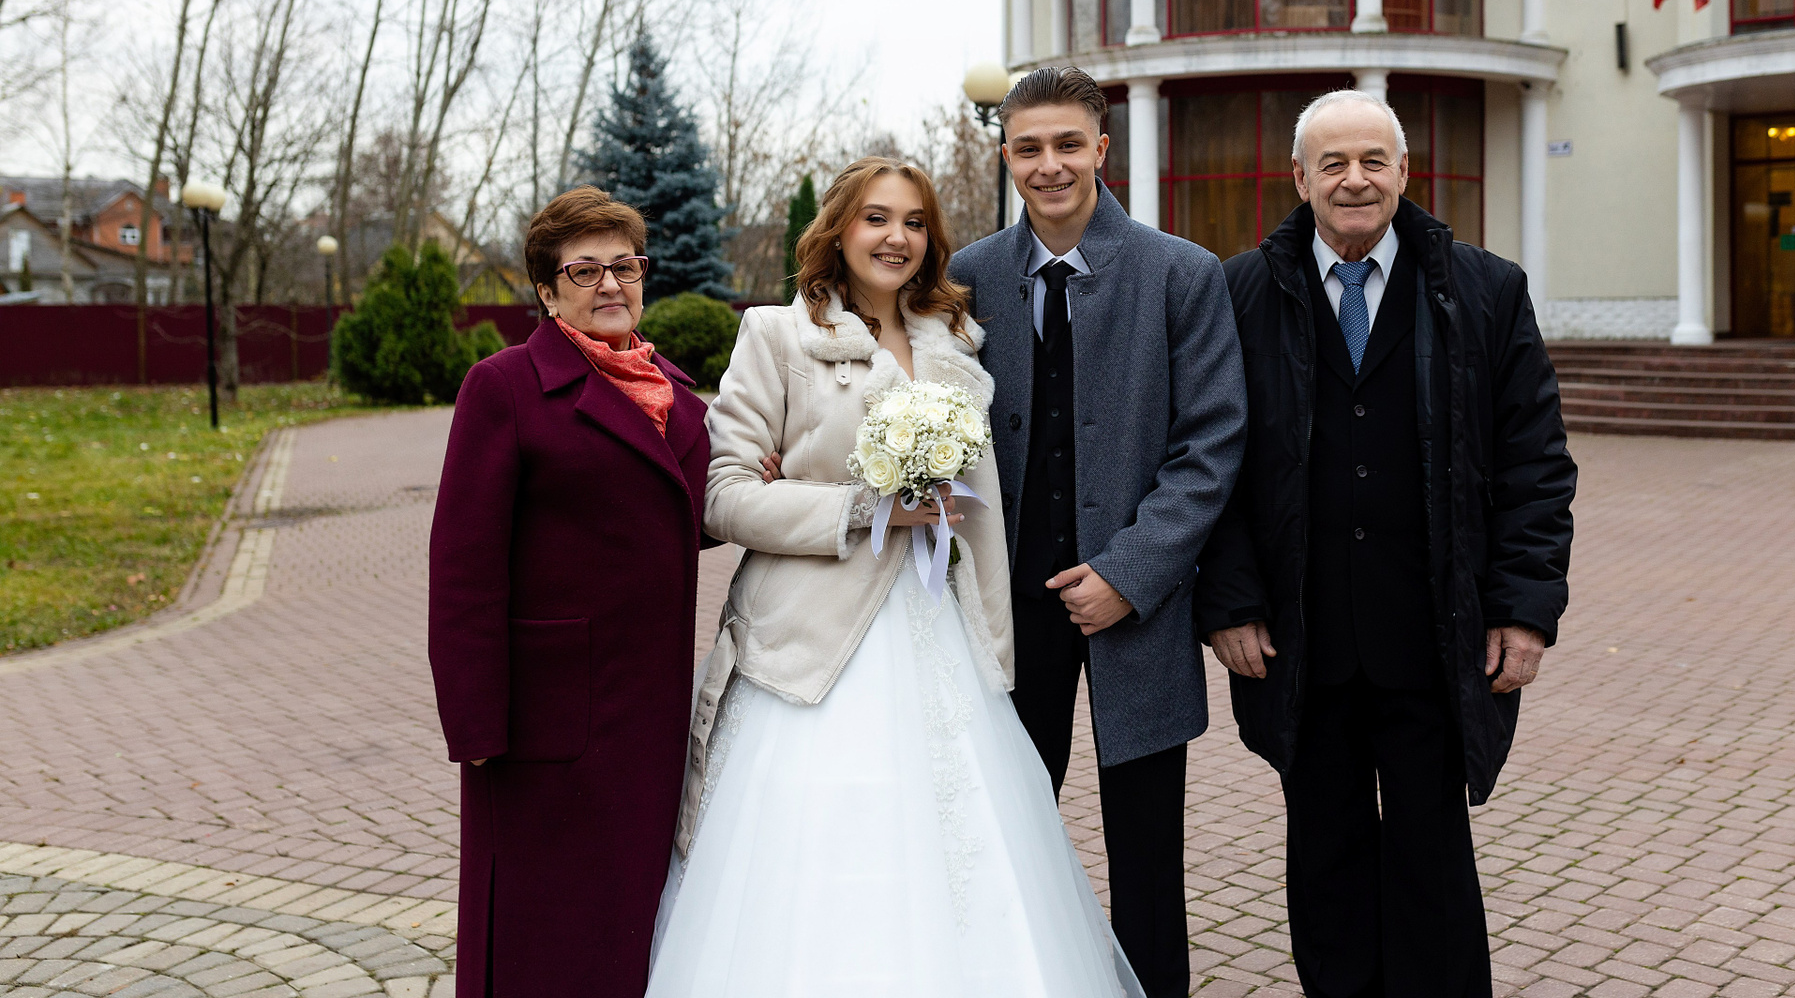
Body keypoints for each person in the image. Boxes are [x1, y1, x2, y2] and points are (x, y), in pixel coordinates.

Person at [650, 156, 1144, 997]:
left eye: (915, 222)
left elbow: (981, 505)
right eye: (876, 218)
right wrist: (859, 506)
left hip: (939, 626)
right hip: (810, 642)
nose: (896, 238)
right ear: (838, 229)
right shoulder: (776, 336)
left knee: (961, 850)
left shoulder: (957, 342)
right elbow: (722, 497)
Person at [1196, 89, 1576, 997]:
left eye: (1373, 160)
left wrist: (1524, 610)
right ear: (1300, 180)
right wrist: (1229, 599)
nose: (1355, 179)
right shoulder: (1239, 294)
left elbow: (1536, 464)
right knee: (1323, 856)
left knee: (1431, 858)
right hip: (1300, 639)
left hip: (1435, 637)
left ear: (1405, 171)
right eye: (1333, 163)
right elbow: (1208, 459)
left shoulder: (1486, 290)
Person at [948, 67, 1247, 998]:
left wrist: (1130, 572)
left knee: (1148, 849)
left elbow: (1212, 443)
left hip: (1136, 604)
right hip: (1005, 604)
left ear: (1102, 150)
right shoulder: (966, 277)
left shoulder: (1181, 273)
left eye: (1068, 145)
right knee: (1007, 827)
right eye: (1029, 148)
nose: (1050, 165)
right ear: (1007, 156)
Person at [426, 186, 713, 996]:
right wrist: (474, 720)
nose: (610, 284)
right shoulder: (505, 386)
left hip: (649, 710)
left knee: (628, 924)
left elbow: (686, 519)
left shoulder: (674, 395)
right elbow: (463, 565)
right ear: (547, 294)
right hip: (543, 720)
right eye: (584, 271)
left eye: (625, 265)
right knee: (539, 928)